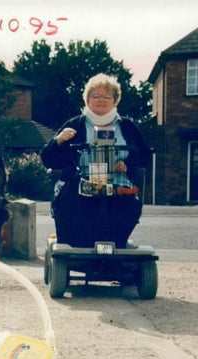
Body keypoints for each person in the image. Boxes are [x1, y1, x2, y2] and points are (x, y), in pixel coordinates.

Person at [40, 73, 151, 247]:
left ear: (115, 101)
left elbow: (145, 156)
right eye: (96, 96)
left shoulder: (128, 127)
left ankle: (115, 243)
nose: (101, 100)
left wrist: (127, 165)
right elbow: (47, 159)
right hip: (80, 181)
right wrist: (59, 140)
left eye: (107, 96)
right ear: (87, 100)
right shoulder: (74, 125)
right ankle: (80, 243)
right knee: (76, 202)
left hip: (118, 181)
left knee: (127, 204)